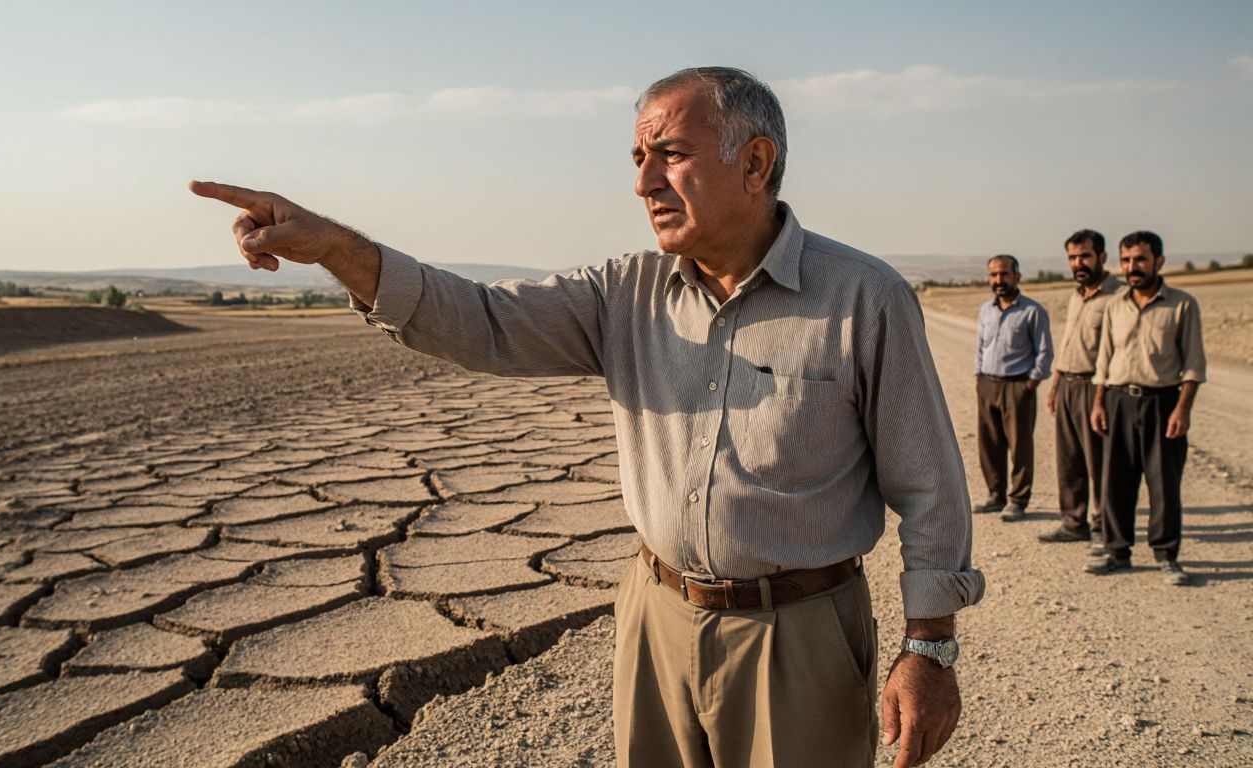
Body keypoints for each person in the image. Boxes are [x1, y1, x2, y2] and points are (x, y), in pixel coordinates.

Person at [190, 66, 984, 768]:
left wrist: (929, 649)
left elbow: (929, 488)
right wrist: (336, 249)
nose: (644, 182)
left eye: (669, 154)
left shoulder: (863, 297)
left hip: (798, 637)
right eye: (638, 160)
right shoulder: (620, 293)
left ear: (756, 162)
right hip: (657, 617)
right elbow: (478, 319)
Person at [1087, 231, 1205, 587]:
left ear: (1159, 262)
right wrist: (1098, 403)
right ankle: (1117, 551)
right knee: (1115, 482)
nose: (1132, 267)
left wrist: (1181, 410)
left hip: (1162, 402)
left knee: (1163, 484)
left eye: (1139, 259)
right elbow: (1104, 361)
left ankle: (1166, 556)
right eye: (1126, 261)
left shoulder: (1182, 304)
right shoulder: (1115, 305)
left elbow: (1194, 366)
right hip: (1118, 401)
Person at [1040, 230, 1124, 550]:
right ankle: (1074, 523)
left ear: (1101, 257)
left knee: (1099, 462)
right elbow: (1068, 343)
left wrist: (1102, 397)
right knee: (1068, 459)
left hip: (1096, 387)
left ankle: (1103, 527)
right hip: (1068, 386)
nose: (1078, 263)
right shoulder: (1078, 294)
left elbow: (1115, 351)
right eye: (1073, 258)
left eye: (1085, 256)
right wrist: (1056, 384)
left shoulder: (1118, 296)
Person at [972, 254, 1053, 522]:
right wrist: (978, 378)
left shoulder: (1032, 311)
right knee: (989, 444)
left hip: (1018, 386)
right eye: (994, 275)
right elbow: (980, 347)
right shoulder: (986, 310)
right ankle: (996, 496)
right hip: (988, 384)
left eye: (1004, 274)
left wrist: (1030, 384)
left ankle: (1017, 500)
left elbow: (1044, 352)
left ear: (1017, 276)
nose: (999, 280)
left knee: (1020, 446)